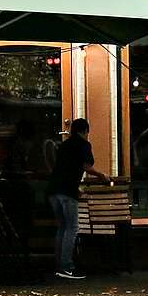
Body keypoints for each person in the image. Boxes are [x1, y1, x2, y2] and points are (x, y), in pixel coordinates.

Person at [48, 118, 105, 282]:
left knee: (62, 227)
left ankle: (59, 265)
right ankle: (67, 267)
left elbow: (62, 169)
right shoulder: (84, 145)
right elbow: (86, 167)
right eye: (87, 132)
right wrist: (102, 175)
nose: (88, 135)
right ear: (84, 131)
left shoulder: (63, 146)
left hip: (53, 191)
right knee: (72, 227)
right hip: (67, 192)